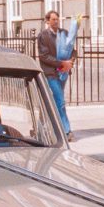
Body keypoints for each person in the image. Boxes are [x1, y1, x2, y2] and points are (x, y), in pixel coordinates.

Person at [37, 10, 73, 141]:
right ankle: (66, 130)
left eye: (57, 19)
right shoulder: (43, 36)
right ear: (47, 21)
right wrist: (61, 63)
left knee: (52, 101)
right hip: (50, 73)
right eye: (53, 19)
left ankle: (40, 127)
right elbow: (44, 56)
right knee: (60, 101)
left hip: (62, 73)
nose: (56, 21)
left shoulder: (65, 33)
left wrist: (70, 62)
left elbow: (72, 50)